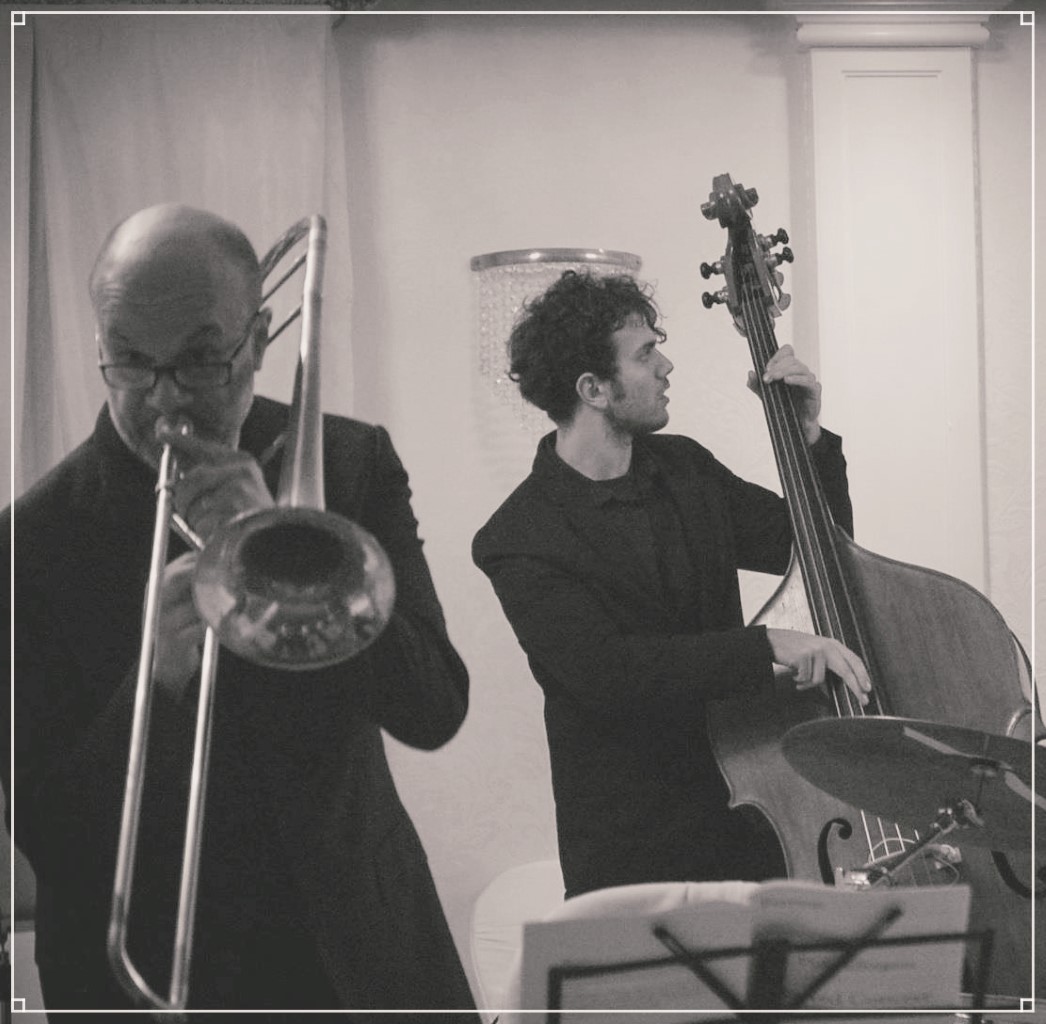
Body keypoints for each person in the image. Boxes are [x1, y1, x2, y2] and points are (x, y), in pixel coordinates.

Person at [2, 204, 477, 1018]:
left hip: (362, 959)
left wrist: (296, 551)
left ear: (257, 339)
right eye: (130, 361)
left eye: (197, 360)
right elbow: (49, 836)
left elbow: (434, 707)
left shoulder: (348, 463)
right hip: (159, 978)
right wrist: (155, 680)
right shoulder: (30, 544)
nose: (162, 401)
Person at [472, 270, 872, 901]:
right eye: (645, 354)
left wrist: (808, 437)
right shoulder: (520, 536)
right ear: (593, 389)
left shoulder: (687, 468)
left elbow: (820, 554)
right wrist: (767, 644)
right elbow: (609, 674)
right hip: (633, 850)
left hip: (754, 812)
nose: (666, 366)